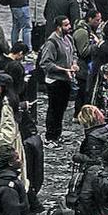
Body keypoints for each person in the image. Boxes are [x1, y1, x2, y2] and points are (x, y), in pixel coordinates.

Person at [38, 16, 78, 145]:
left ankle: (57, 134)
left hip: (66, 79)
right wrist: (63, 69)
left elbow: (74, 54)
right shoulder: (51, 43)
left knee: (62, 108)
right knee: (54, 109)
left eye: (68, 24)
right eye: (66, 25)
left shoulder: (68, 39)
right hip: (55, 81)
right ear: (59, 27)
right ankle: (50, 136)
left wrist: (73, 64)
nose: (69, 27)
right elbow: (45, 63)